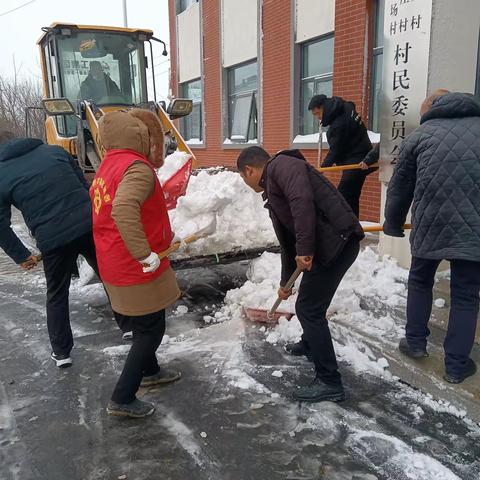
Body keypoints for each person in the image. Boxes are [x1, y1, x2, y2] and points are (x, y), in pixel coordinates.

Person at [237, 146, 364, 402]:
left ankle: (330, 381)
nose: (246, 183)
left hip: (337, 242)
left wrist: (305, 249)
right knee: (309, 301)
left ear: (249, 170)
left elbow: (302, 202)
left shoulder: (283, 167)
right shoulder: (273, 186)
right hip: (326, 245)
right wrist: (286, 283)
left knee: (309, 309)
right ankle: (310, 343)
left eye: (243, 177)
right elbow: (288, 241)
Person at [384, 90, 480, 384]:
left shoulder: (420, 136)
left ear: (432, 107)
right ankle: (455, 365)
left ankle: (415, 343)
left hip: (430, 225)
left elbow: (400, 187)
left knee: (420, 281)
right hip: (473, 229)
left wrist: (393, 223)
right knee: (465, 295)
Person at [92, 109, 181, 418]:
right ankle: (123, 397)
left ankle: (151, 371)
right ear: (139, 137)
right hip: (135, 265)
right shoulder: (137, 168)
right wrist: (144, 253)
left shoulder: (109, 164)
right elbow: (124, 208)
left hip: (114, 259)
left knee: (148, 321)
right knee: (149, 331)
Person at [0, 130, 105, 368]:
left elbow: (0, 225)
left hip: (52, 238)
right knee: (108, 274)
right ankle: (130, 327)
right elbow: (83, 184)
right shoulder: (55, 151)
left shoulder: (1, 173)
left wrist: (21, 255)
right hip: (87, 224)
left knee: (57, 293)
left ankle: (61, 352)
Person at [308, 94, 374, 217]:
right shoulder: (345, 107)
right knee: (351, 197)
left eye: (317, 113)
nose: (318, 117)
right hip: (364, 154)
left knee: (344, 197)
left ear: (323, 107)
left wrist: (322, 168)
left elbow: (336, 150)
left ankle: (348, 229)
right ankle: (353, 229)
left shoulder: (339, 124)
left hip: (357, 162)